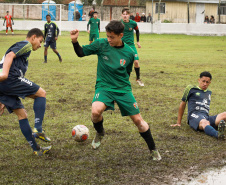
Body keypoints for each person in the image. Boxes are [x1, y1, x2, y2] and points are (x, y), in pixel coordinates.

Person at [70, 20, 161, 161]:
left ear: (121, 35)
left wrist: (122, 87)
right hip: (104, 86)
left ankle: (153, 149)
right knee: (95, 111)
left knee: (139, 121)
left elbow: (127, 72)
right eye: (107, 36)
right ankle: (100, 133)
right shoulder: (101, 44)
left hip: (123, 88)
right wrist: (75, 41)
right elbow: (81, 53)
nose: (109, 39)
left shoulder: (129, 53)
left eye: (112, 37)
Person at [0, 28, 52, 156]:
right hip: (10, 79)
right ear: (33, 37)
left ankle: (36, 149)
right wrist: (5, 74)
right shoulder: (26, 45)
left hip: (4, 86)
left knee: (22, 115)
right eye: (40, 41)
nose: (40, 45)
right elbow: (9, 55)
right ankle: (38, 129)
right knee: (41, 93)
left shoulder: (25, 55)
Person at [171, 71, 226, 140]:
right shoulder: (191, 89)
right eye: (203, 81)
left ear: (210, 83)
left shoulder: (209, 92)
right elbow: (183, 103)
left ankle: (210, 128)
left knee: (224, 114)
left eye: (207, 82)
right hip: (194, 117)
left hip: (206, 117)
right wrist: (178, 122)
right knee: (204, 122)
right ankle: (218, 134)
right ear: (199, 80)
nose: (205, 84)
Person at [121, 7, 144, 86]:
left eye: (126, 14)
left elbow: (137, 31)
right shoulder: (119, 23)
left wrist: (138, 42)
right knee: (124, 64)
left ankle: (138, 78)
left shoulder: (133, 23)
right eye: (124, 14)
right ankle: (124, 81)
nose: (125, 16)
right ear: (121, 15)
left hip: (131, 46)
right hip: (122, 46)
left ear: (129, 15)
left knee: (136, 62)